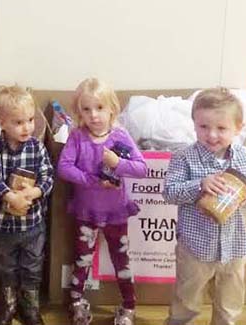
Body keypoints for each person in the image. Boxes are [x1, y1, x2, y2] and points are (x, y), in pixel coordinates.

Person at [163, 87, 246, 325]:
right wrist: (200, 184)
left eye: (221, 128)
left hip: (235, 247)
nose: (211, 135)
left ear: (238, 128)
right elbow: (169, 193)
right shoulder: (183, 157)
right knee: (185, 303)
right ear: (194, 124)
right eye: (203, 127)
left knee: (229, 306)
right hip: (194, 249)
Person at [57, 78, 147, 325]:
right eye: (86, 109)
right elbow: (64, 167)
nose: (94, 115)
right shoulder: (77, 136)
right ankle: (76, 301)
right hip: (86, 212)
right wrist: (91, 180)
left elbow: (142, 168)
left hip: (116, 212)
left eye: (99, 108)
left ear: (112, 109)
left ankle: (129, 304)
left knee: (121, 258)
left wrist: (118, 163)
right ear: (79, 112)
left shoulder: (121, 135)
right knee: (82, 258)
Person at [0, 85, 54, 325]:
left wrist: (34, 191)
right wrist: (9, 196)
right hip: (4, 225)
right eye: (18, 122)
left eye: (30, 120)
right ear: (1, 122)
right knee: (7, 266)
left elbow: (48, 178)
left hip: (33, 224)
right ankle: (8, 304)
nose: (27, 127)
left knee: (33, 265)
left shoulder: (37, 147)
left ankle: (30, 306)